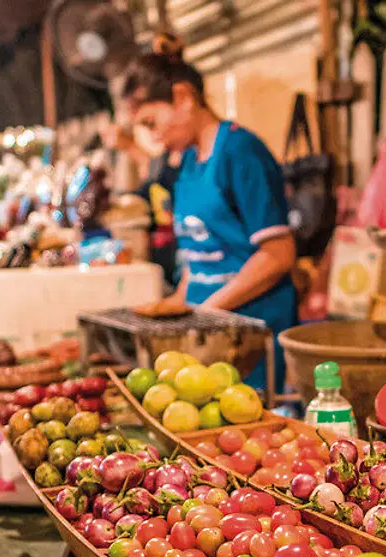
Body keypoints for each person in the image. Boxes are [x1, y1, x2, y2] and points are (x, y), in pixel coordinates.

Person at [121, 48, 297, 396]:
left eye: (151, 123)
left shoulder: (240, 152)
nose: (152, 136)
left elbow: (278, 254)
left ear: (183, 97)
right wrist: (176, 306)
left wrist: (206, 310)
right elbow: (201, 251)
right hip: (206, 336)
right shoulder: (186, 162)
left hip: (248, 336)